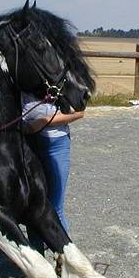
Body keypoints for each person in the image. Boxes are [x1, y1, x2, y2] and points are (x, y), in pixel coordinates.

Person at [21, 91, 85, 255]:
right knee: (33, 204)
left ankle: (64, 256)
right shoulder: (21, 77)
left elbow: (80, 112)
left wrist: (44, 121)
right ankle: (38, 257)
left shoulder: (58, 77)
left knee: (55, 205)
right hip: (28, 143)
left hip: (56, 144)